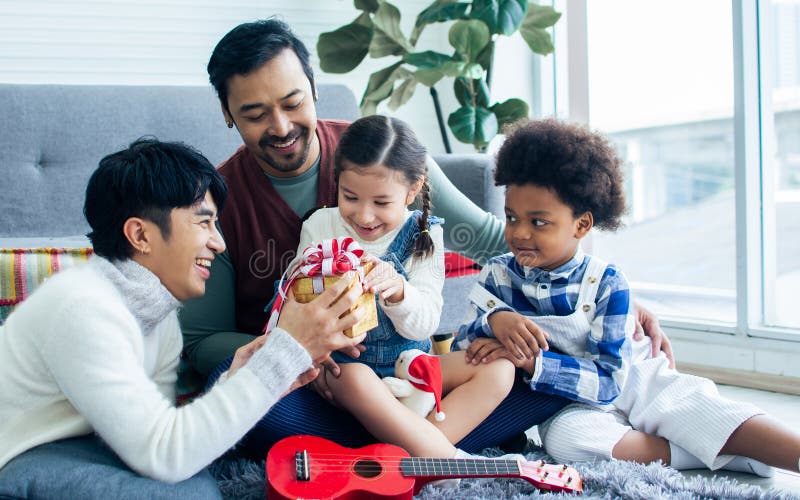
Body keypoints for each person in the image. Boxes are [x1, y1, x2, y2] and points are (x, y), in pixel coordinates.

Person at [180, 17, 672, 454]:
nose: (282, 126)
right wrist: (294, 346)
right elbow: (202, 340)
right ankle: (426, 442)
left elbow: (488, 239)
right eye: (254, 114)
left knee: (521, 363)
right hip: (310, 384)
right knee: (231, 383)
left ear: (312, 87)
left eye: (292, 102)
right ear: (227, 113)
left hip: (402, 376)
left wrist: (599, 289)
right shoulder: (218, 202)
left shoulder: (382, 154)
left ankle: (384, 446)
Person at [0, 138, 367, 498]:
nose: (218, 243)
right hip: (21, 457)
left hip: (94, 445)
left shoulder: (158, 315)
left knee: (197, 485)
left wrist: (238, 380)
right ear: (140, 234)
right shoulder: (82, 306)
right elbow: (165, 455)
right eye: (203, 224)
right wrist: (285, 352)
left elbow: (158, 438)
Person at [456, 118, 800, 477]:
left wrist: (533, 362)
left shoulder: (607, 282)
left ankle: (781, 452)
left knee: (689, 408)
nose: (520, 233)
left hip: (629, 380)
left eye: (539, 222)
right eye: (511, 218)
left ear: (582, 225)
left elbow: (609, 381)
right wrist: (493, 320)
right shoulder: (496, 274)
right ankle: (714, 453)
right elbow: (464, 348)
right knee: (567, 442)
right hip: (568, 401)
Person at [281, 114, 517, 459]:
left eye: (381, 203)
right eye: (350, 197)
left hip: (410, 368)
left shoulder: (425, 234)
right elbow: (295, 300)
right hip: (345, 373)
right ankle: (443, 458)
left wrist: (399, 292)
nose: (363, 216)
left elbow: (425, 324)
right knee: (357, 378)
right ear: (337, 184)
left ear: (412, 191)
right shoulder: (320, 226)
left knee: (500, 370)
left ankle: (422, 448)